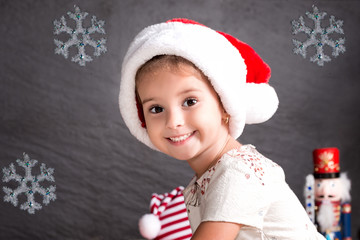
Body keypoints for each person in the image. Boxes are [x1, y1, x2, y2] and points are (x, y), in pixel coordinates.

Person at [119, 18, 325, 240]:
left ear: (225, 104)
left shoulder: (238, 172)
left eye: (189, 101)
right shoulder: (203, 182)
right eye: (156, 108)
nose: (173, 121)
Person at [304, 148, 352, 240]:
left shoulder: (344, 206)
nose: (325, 191)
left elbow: (347, 229)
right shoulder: (311, 206)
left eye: (332, 184)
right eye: (319, 184)